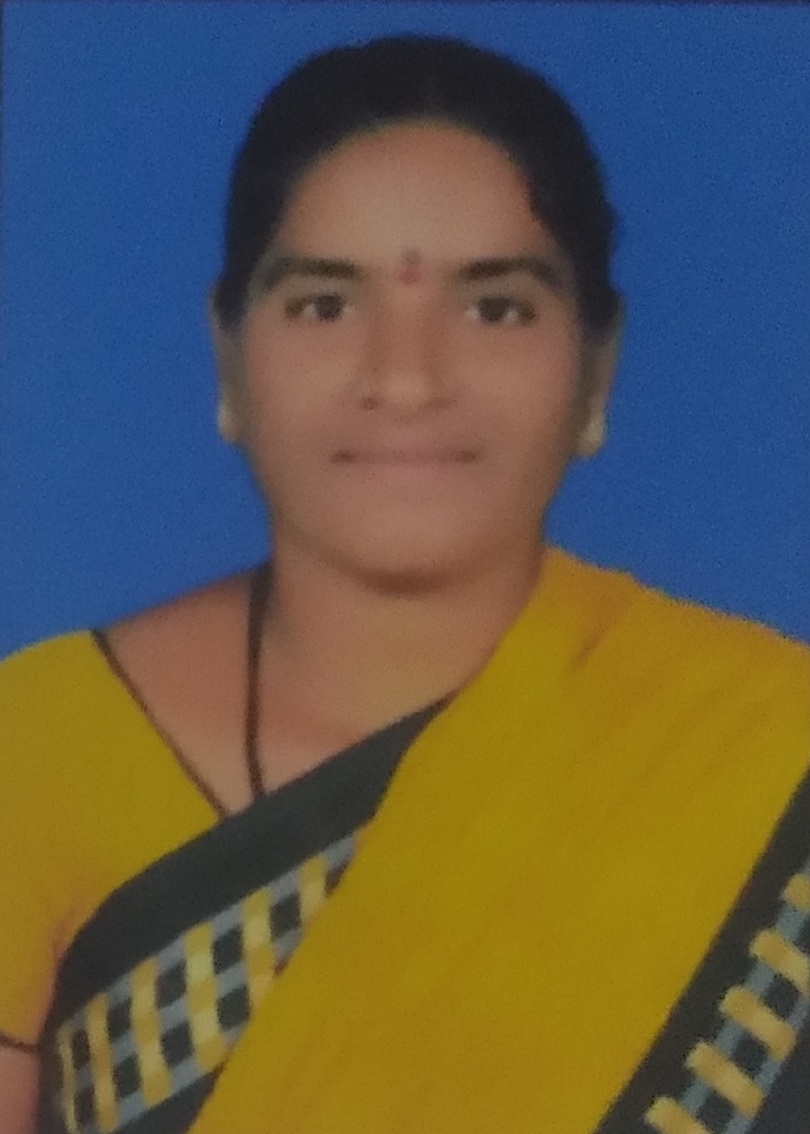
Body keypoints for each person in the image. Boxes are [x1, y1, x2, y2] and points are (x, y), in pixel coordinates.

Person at [1, 33, 808, 1134]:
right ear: (228, 355)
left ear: (597, 370)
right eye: (325, 305)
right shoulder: (40, 751)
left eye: (497, 308)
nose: (406, 379)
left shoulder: (770, 753)